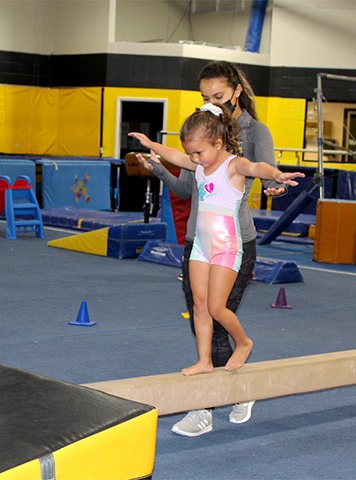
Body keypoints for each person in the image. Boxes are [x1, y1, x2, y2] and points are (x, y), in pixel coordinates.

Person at [129, 61, 300, 436]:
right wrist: (155, 159)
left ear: (237, 90)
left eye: (218, 96)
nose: (212, 103)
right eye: (205, 98)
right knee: (202, 311)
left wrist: (278, 180)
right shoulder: (200, 143)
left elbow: (261, 168)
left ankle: (224, 395)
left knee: (220, 314)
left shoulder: (247, 139)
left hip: (234, 241)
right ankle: (209, 377)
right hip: (199, 242)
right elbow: (187, 183)